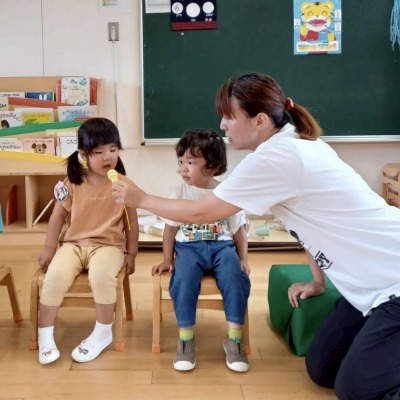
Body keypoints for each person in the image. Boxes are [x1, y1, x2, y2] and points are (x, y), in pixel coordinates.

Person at [112, 71, 400, 399]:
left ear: (260, 120)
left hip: (393, 279)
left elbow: (201, 212)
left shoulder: (277, 157)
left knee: (355, 390)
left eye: (229, 116)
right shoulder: (293, 143)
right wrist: (318, 282)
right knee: (322, 369)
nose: (222, 125)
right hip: (368, 289)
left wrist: (141, 199)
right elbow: (310, 229)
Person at [37, 117, 138, 365]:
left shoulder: (124, 185)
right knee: (54, 278)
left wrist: (132, 253)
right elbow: (57, 217)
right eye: (99, 152)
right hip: (73, 245)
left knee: (101, 277)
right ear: (83, 154)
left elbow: (131, 223)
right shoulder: (73, 183)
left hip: (109, 246)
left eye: (113, 149)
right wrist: (49, 248)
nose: (107, 157)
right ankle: (45, 336)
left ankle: (103, 333)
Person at [152, 128, 251, 372]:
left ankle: (234, 339)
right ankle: (186, 340)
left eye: (191, 162)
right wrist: (167, 259)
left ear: (213, 166)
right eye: (181, 162)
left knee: (235, 277)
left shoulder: (225, 193)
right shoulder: (179, 193)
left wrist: (243, 259)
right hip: (188, 249)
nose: (183, 168)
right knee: (183, 279)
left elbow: (239, 230)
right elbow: (170, 230)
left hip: (222, 248)